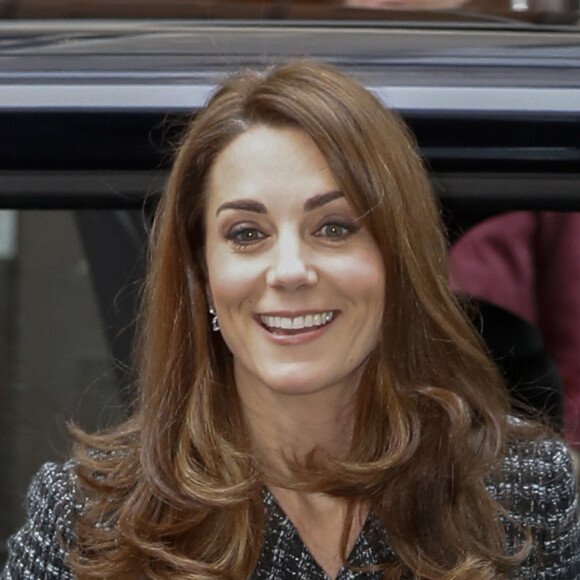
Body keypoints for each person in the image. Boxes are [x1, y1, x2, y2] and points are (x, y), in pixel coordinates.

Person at [2, 61, 579, 580]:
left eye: (334, 227)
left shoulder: (522, 490)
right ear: (202, 274)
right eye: (247, 234)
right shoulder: (89, 517)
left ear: (397, 259)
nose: (290, 271)